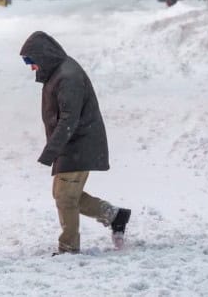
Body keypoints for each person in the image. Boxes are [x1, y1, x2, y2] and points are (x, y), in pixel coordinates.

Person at [19, 31, 131, 254]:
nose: (33, 69)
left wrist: (51, 151)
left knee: (65, 197)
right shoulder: (59, 73)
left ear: (44, 57)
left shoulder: (67, 77)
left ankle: (68, 247)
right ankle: (114, 215)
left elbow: (69, 119)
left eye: (33, 63)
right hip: (75, 145)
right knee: (66, 195)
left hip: (79, 144)